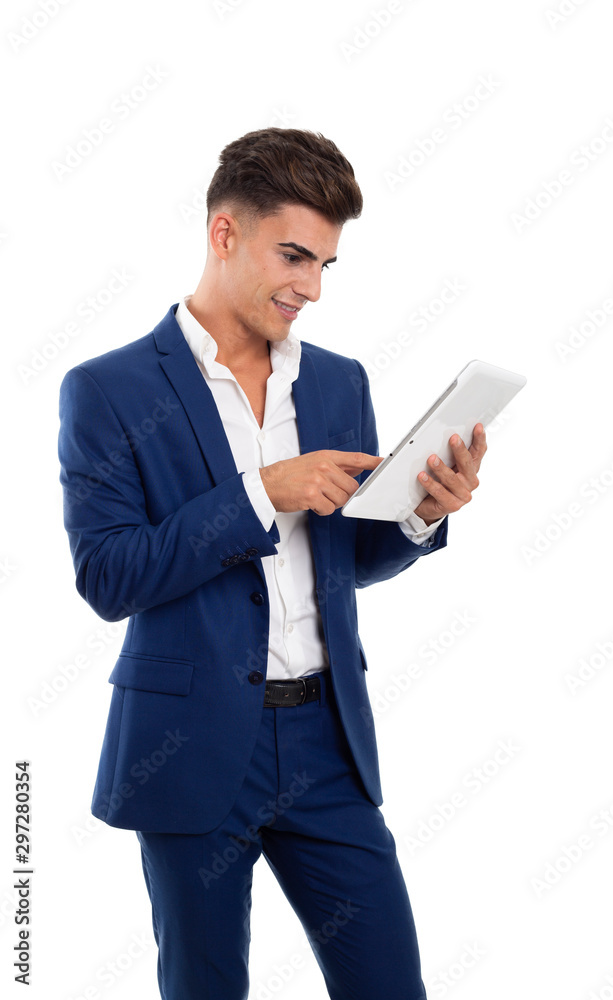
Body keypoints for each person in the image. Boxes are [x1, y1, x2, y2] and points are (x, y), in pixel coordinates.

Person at [58, 127, 486, 1000]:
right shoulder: (107, 389)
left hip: (328, 742)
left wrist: (417, 515)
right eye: (295, 256)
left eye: (326, 264)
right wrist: (263, 492)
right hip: (191, 745)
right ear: (224, 233)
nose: (311, 288)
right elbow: (108, 576)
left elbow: (345, 560)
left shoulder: (338, 381)